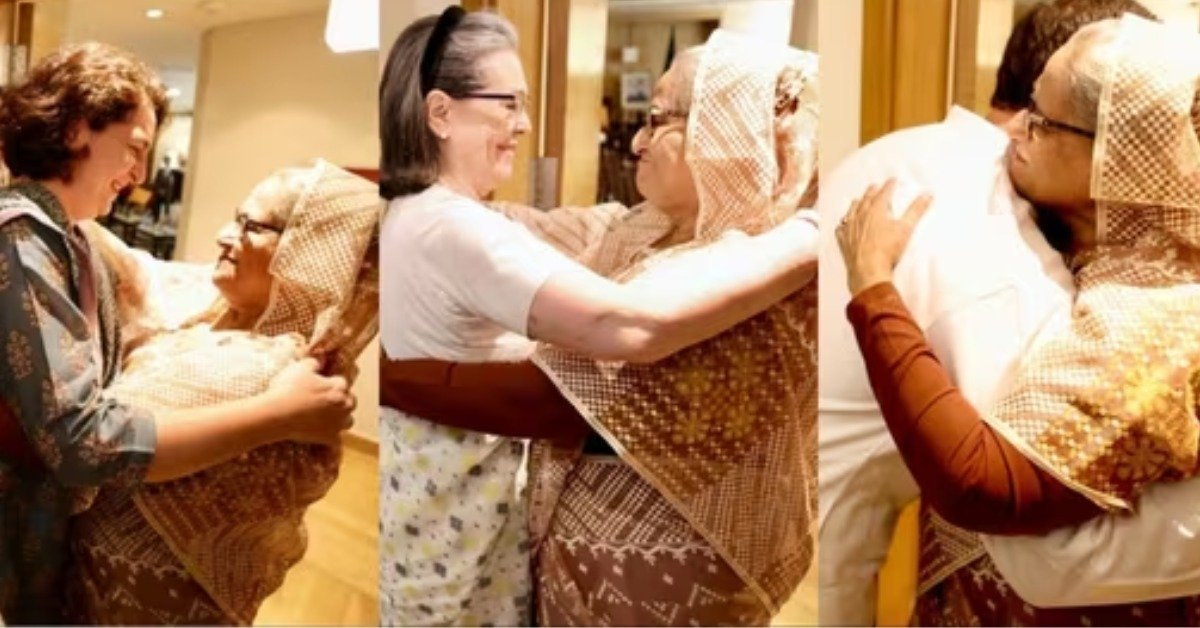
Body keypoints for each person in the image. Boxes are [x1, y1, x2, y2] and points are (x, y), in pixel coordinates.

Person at [377, 8, 818, 626]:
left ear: (729, 131)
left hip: (661, 582)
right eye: (508, 105)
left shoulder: (753, 277)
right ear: (441, 112)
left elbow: (568, 391)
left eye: (659, 119)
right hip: (555, 561)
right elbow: (520, 232)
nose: (636, 139)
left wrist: (401, 380)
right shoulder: (638, 230)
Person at [836, 14, 1200, 624]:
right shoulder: (1115, 257)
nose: (1013, 134)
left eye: (1041, 121)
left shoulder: (1156, 318)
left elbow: (980, 483)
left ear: (1117, 159)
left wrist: (872, 285)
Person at [0, 43, 353, 623]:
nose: (140, 175)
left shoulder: (73, 238)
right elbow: (79, 440)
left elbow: (159, 285)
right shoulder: (23, 240)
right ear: (73, 130)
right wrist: (280, 413)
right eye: (135, 148)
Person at [63, 161, 379, 625]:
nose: (223, 234)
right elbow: (136, 265)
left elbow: (102, 443)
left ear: (310, 255)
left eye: (251, 225)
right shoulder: (225, 317)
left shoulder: (272, 370)